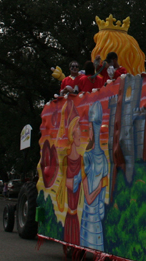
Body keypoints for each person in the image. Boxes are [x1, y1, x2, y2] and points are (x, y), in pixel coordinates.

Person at [81, 102, 108, 251]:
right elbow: (91, 198)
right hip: (92, 218)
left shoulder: (90, 157)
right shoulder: (98, 158)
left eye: (90, 128)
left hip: (92, 219)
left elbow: (93, 198)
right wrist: (100, 186)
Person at [57, 110, 83, 246]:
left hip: (76, 217)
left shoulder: (82, 160)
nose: (81, 133)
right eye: (78, 127)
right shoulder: (65, 161)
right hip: (70, 216)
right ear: (72, 134)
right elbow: (69, 184)